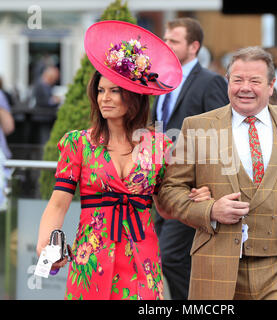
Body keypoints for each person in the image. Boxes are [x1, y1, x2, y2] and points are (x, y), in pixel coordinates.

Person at [36, 20, 210, 300]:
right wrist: (46, 242)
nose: (104, 98)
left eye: (114, 91)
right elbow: (58, 203)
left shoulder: (160, 146)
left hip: (142, 258)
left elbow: (165, 208)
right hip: (90, 259)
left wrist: (194, 198)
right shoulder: (78, 143)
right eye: (101, 90)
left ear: (134, 97)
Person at [158, 46, 277, 300]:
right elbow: (169, 191)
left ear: (271, 85)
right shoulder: (197, 126)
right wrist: (209, 210)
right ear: (227, 82)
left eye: (255, 81)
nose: (245, 88)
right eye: (238, 80)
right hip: (217, 267)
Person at [151, 17, 229, 300]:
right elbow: (154, 127)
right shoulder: (158, 80)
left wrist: (209, 186)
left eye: (174, 40)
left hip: (191, 190)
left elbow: (221, 136)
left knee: (172, 257)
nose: (166, 44)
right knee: (162, 257)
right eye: (166, 39)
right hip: (158, 188)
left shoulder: (211, 82)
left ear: (194, 46)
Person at [31, 66, 61, 144]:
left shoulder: (46, 85)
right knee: (44, 139)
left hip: (46, 117)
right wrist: (54, 100)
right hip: (42, 117)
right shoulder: (40, 85)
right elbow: (43, 101)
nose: (54, 81)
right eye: (54, 78)